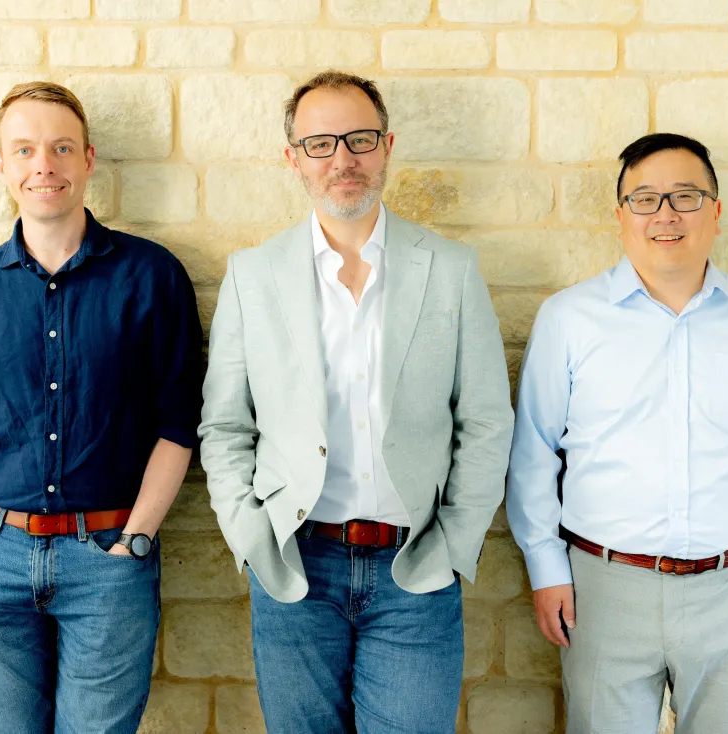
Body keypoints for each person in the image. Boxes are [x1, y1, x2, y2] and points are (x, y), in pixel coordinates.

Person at [198, 70, 514, 733]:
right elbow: (226, 426)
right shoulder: (253, 275)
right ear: (294, 159)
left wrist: (456, 541)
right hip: (294, 567)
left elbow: (486, 420)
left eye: (360, 139)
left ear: (387, 146)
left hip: (415, 569)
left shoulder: (450, 269)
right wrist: (252, 538)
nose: (342, 158)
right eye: (320, 144)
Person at [506, 133, 728, 734]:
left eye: (685, 196)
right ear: (621, 215)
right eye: (646, 199)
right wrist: (547, 568)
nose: (666, 215)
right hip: (602, 592)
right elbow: (534, 453)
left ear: (716, 210)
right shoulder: (569, 318)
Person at [0, 81, 202, 734]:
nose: (43, 164)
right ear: (1, 164)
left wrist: (135, 541)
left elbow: (178, 423)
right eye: (24, 149)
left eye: (61, 147)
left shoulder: (151, 276)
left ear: (88, 159)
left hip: (107, 560)